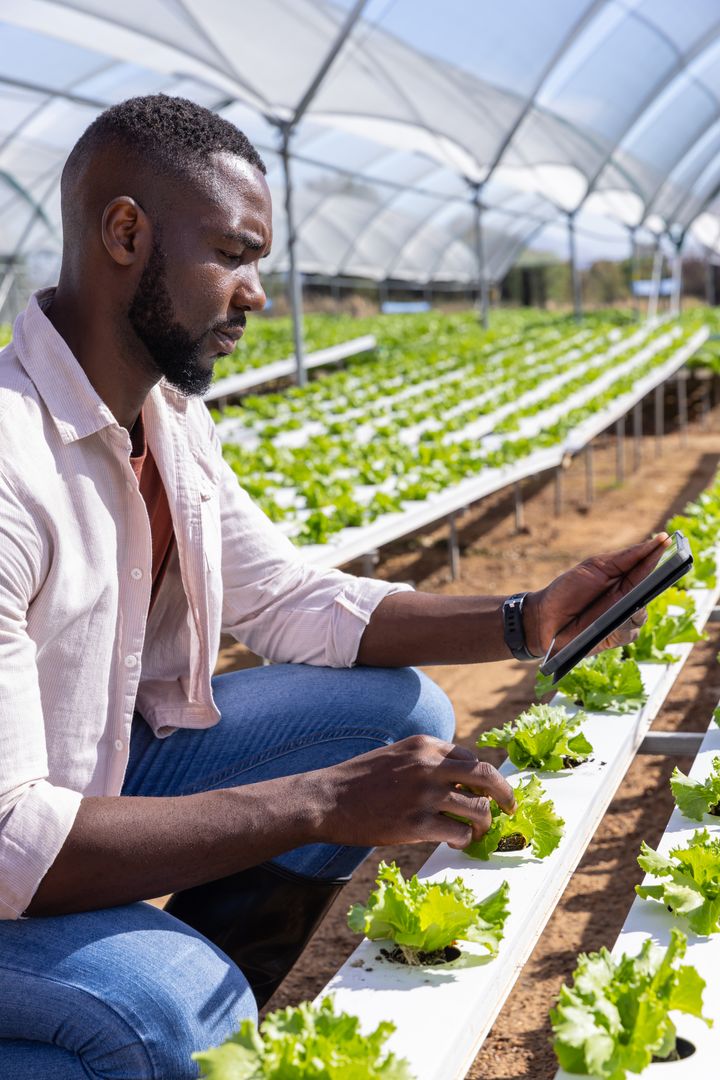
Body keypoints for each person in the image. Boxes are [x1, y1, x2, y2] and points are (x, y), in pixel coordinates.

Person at [0, 94, 664, 1079]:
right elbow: (14, 837)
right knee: (166, 1011)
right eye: (233, 252)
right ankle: (159, 1008)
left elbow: (289, 599)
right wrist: (318, 802)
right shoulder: (12, 466)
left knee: (397, 714)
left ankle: (212, 993)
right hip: (16, 838)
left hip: (89, 776)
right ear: (126, 233)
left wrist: (526, 620)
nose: (259, 292)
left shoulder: (169, 424)